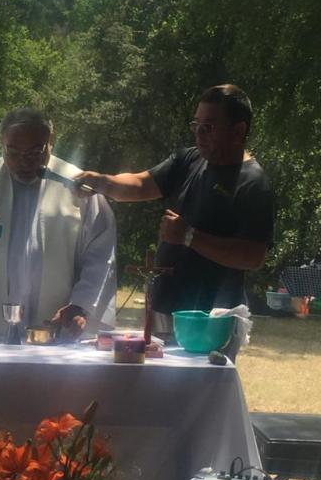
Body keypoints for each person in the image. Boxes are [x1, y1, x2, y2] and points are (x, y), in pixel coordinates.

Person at [76, 84, 274, 340]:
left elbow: (253, 257)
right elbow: (140, 184)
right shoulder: (189, 160)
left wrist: (189, 236)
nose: (199, 133)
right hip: (165, 305)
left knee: (200, 370)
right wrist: (101, 182)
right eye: (196, 125)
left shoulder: (254, 184)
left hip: (213, 316)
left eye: (209, 126)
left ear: (238, 131)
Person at [0, 108, 117, 339]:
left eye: (34, 152)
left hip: (58, 332)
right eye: (13, 152)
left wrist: (81, 305)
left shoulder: (79, 189)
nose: (24, 161)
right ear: (2, 143)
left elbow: (100, 256)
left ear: (51, 142)